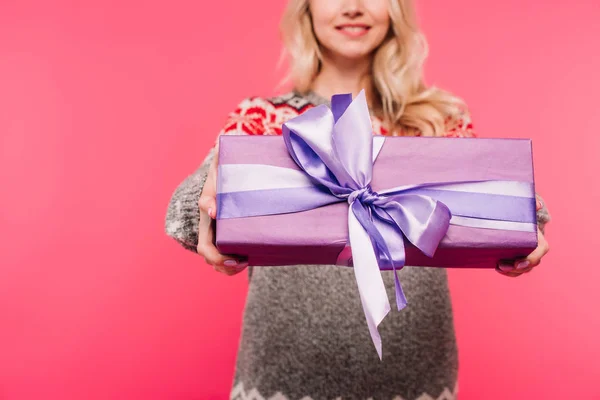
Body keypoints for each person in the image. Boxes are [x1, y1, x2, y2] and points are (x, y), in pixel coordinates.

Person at [165, 0, 551, 398]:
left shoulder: (438, 120)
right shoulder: (261, 120)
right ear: (307, 10)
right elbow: (184, 220)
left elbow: (503, 205)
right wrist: (208, 192)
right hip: (280, 379)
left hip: (416, 380)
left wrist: (526, 225)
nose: (353, 7)